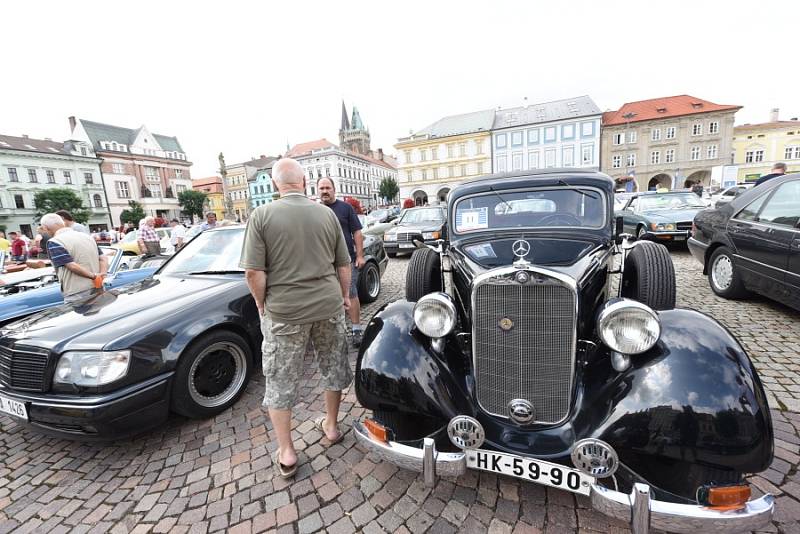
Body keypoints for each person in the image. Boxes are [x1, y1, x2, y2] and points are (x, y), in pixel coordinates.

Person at [240, 158, 352, 479]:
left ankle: (287, 451)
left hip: (285, 311)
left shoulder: (261, 216)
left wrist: (262, 303)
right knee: (333, 365)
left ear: (276, 184)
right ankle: (331, 427)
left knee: (280, 378)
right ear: (304, 181)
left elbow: (253, 271)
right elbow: (343, 264)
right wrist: (344, 296)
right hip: (327, 305)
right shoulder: (327, 214)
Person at [318, 177, 366, 347]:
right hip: (323, 264)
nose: (325, 191)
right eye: (322, 188)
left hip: (346, 261)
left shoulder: (345, 208)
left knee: (351, 294)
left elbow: (357, 232)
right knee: (328, 297)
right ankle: (335, 332)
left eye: (327, 187)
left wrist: (359, 256)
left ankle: (356, 329)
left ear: (334, 189)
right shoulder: (314, 210)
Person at [40, 213, 108, 299]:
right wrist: (102, 275)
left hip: (76, 291)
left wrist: (94, 276)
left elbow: (71, 265)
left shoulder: (55, 242)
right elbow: (103, 258)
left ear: (46, 227)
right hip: (98, 286)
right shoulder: (87, 237)